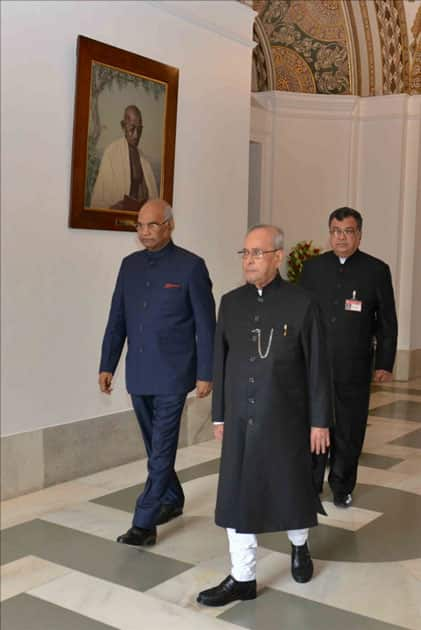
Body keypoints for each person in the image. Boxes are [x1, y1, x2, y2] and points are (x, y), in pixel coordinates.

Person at [197, 225, 331, 607]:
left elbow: (318, 368)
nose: (250, 260)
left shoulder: (302, 303)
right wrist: (219, 416)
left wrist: (319, 421)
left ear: (278, 256)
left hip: (287, 417)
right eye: (245, 253)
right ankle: (243, 577)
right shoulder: (231, 302)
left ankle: (300, 546)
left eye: (258, 253)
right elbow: (220, 363)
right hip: (241, 419)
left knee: (291, 491)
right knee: (238, 497)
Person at [99, 199, 216, 546]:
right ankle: (172, 498)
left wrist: (206, 372)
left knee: (162, 446)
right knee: (155, 445)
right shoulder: (129, 265)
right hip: (138, 372)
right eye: (139, 226)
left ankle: (144, 522)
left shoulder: (191, 267)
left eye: (151, 225)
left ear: (169, 226)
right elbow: (117, 318)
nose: (145, 232)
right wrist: (108, 363)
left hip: (174, 374)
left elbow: (206, 326)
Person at [300, 207, 398, 508]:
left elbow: (387, 322)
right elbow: (300, 314)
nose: (341, 237)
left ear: (359, 234)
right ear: (329, 233)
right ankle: (310, 485)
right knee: (314, 425)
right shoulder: (312, 268)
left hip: (354, 366)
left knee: (349, 428)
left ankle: (342, 485)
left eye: (348, 231)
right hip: (314, 364)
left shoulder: (376, 270)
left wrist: (384, 362)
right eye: (335, 231)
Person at [91, 105, 158, 210]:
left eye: (139, 129)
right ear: (123, 126)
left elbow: (153, 199)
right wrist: (113, 208)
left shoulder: (145, 162)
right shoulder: (111, 154)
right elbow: (97, 202)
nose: (136, 135)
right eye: (132, 128)